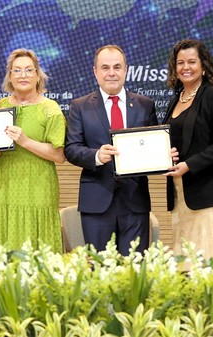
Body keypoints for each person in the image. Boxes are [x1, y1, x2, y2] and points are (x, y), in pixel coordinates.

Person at [65, 45, 158, 255]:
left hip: (135, 201)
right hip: (96, 201)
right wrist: (96, 155)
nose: (111, 73)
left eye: (117, 67)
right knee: (99, 272)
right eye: (105, 67)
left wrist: (163, 158)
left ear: (126, 70)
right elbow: (72, 148)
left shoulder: (145, 105)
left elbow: (153, 147)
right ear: (95, 71)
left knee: (134, 270)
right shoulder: (79, 106)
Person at [163, 39, 213, 268]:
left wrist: (190, 164)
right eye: (180, 63)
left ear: (203, 65)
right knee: (186, 266)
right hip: (181, 197)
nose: (185, 67)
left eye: (191, 62)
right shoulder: (175, 100)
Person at [0, 49, 66, 254]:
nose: (22, 75)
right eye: (16, 70)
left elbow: (59, 155)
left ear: (38, 75)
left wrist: (25, 141)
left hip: (37, 187)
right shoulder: (0, 106)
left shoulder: (50, 109)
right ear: (10, 76)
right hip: (2, 186)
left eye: (28, 70)